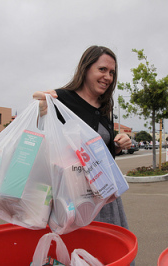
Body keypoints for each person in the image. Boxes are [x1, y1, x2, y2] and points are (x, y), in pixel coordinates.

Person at [33, 46, 132, 230]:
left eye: (112, 72)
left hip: (104, 197)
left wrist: (117, 146)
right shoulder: (60, 99)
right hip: (71, 199)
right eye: (102, 69)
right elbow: (42, 144)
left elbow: (101, 153)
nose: (108, 77)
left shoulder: (105, 107)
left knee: (105, 252)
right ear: (85, 69)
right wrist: (38, 113)